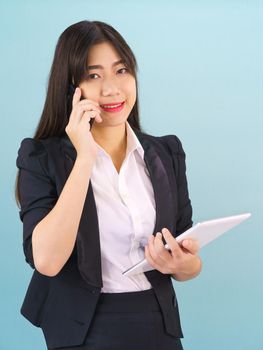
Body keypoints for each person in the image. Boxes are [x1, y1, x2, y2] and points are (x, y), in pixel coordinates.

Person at [15, 20, 202, 350]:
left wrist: (185, 265)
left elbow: (187, 254)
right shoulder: (41, 157)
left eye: (121, 71)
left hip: (158, 323)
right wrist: (84, 156)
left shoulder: (166, 152)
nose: (112, 89)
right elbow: (47, 261)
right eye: (93, 75)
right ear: (72, 87)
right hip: (82, 328)